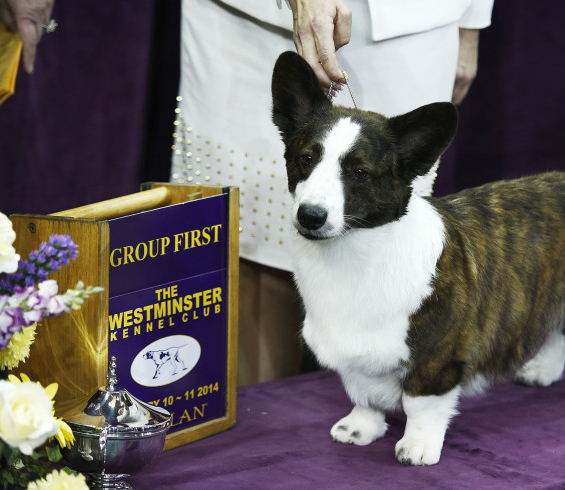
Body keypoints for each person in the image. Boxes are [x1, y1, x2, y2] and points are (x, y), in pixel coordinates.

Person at [171, 0, 494, 386]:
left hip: (413, 24)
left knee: (382, 240)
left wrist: (472, 20)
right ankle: (256, 424)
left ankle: (369, 405)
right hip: (253, 21)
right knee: (251, 240)